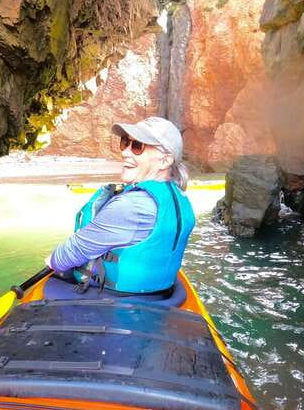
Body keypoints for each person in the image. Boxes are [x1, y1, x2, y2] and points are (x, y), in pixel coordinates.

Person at [45, 116, 196, 296]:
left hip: (116, 299)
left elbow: (71, 253)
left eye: (137, 146)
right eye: (125, 142)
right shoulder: (181, 197)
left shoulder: (131, 206)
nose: (125, 152)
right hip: (163, 292)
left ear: (165, 161)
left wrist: (52, 261)